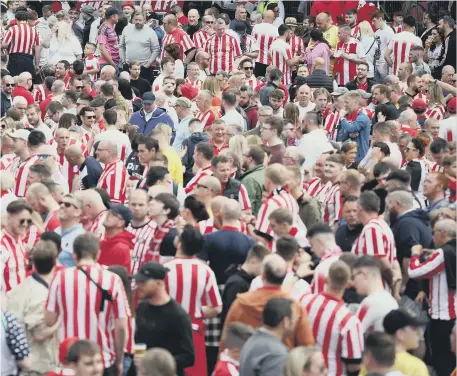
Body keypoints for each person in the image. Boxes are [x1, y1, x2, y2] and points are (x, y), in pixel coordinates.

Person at [44, 233, 129, 375]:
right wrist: (119, 360)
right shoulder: (113, 279)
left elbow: (49, 320)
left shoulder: (60, 277)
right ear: (98, 253)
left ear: (74, 255)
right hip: (102, 360)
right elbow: (121, 326)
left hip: (71, 362)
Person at [164, 224, 222, 376]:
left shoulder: (166, 269)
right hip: (194, 331)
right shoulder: (206, 270)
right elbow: (217, 307)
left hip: (167, 329)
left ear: (180, 243)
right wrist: (197, 311)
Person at [408, 219, 456, 376]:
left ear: (443, 234)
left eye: (434, 233)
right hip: (453, 313)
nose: (432, 237)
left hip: (442, 316)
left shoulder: (443, 253)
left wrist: (415, 254)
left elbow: (415, 272)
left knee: (441, 361)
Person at [301, 261, 364, 376]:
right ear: (348, 284)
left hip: (302, 370)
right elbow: (354, 364)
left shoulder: (304, 301)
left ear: (326, 279)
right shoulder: (349, 320)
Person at [7, 240, 60, 375]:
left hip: (18, 364)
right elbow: (40, 334)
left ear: (34, 263)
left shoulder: (18, 289)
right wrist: (61, 320)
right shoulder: (42, 295)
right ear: (55, 263)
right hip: (37, 368)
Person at [132, 262, 195, 376]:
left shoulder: (178, 316)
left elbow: (189, 357)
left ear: (159, 283)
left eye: (143, 282)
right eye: (138, 281)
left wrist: (155, 363)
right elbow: (139, 341)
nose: (138, 286)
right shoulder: (142, 307)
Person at [352, 192, 398, 291]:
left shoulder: (371, 229)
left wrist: (391, 284)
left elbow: (381, 261)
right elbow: (394, 262)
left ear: (359, 207)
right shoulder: (383, 225)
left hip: (374, 289)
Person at [239, 298, 295, 376]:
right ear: (286, 321)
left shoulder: (252, 340)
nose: (295, 322)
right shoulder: (277, 353)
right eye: (294, 318)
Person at [221, 244, 269, 324]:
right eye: (263, 266)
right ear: (253, 262)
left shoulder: (247, 281)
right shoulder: (237, 283)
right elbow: (231, 314)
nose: (264, 271)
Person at [352, 256, 399, 334]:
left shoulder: (368, 303)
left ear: (364, 275)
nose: (353, 283)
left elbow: (353, 335)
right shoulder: (391, 300)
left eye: (354, 276)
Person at [382, 309, 429, 376]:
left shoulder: (374, 361)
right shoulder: (416, 366)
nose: (418, 333)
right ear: (400, 334)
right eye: (414, 329)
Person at [120, 12, 160, 83]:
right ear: (132, 20)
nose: (138, 22)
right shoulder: (126, 29)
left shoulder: (150, 31)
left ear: (144, 20)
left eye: (140, 20)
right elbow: (121, 46)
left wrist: (147, 64)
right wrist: (123, 62)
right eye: (136, 20)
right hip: (128, 67)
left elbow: (156, 49)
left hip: (144, 68)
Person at [2, 10, 41, 77]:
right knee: (27, 81)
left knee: (14, 80)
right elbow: (37, 50)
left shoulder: (12, 29)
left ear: (16, 19)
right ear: (26, 19)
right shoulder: (35, 31)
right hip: (28, 59)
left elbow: (5, 45)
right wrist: (37, 65)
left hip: (15, 59)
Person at [98, 204, 134, 272]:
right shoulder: (104, 243)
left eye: (113, 214)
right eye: (109, 212)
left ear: (121, 223)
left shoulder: (120, 248)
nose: (107, 215)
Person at [338, 91, 371, 161]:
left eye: (347, 102)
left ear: (356, 102)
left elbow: (352, 128)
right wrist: (349, 134)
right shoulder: (347, 117)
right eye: (344, 102)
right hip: (347, 156)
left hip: (360, 157)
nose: (345, 105)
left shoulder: (362, 118)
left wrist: (341, 118)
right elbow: (340, 136)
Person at [56, 193, 85, 267]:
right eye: (60, 203)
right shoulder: (56, 231)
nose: (62, 206)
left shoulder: (81, 237)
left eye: (67, 204)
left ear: (77, 212)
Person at [96, 140, 128, 204]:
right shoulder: (111, 166)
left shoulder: (116, 171)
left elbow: (114, 201)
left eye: (99, 150)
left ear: (108, 152)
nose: (96, 152)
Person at [240, 145, 266, 216]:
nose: (242, 158)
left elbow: (248, 208)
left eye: (243, 155)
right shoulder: (266, 172)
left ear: (250, 159)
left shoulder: (249, 179)